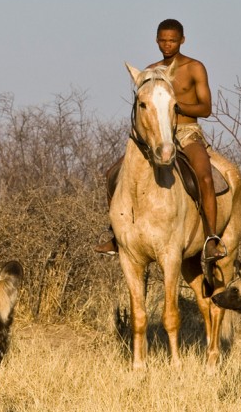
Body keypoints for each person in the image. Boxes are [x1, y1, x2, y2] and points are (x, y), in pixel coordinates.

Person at [95, 19, 226, 262]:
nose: (167, 45)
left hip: (186, 132)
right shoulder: (150, 70)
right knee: (113, 172)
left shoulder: (195, 67)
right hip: (156, 134)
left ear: (182, 40)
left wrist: (175, 107)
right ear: (156, 40)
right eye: (163, 40)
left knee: (205, 176)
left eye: (173, 40)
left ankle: (211, 238)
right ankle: (116, 234)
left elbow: (206, 108)